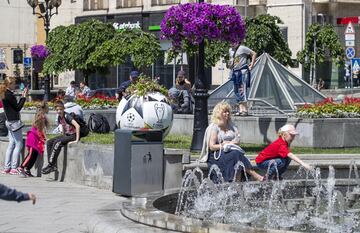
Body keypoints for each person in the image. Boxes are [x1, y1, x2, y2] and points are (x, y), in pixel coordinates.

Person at [198, 102, 263, 182]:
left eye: (228, 111)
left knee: (236, 154)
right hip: (216, 154)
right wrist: (223, 144)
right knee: (236, 155)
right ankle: (252, 176)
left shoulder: (232, 126)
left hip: (232, 151)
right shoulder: (214, 127)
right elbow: (212, 146)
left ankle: (236, 183)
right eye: (224, 112)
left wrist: (231, 143)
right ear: (219, 114)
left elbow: (237, 140)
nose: (227, 113)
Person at [41, 101, 82, 174]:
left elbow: (77, 126)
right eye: (57, 110)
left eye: (60, 109)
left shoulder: (67, 116)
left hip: (73, 135)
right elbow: (63, 126)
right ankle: (51, 165)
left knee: (57, 143)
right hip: (67, 134)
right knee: (49, 142)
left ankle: (51, 165)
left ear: (63, 109)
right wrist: (63, 136)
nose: (59, 111)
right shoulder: (60, 117)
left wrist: (76, 139)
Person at [1, 77, 28, 175]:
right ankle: (13, 168)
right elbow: (18, 108)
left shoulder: (4, 94)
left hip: (9, 122)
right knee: (19, 144)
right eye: (14, 83)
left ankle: (7, 168)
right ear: (10, 84)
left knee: (11, 144)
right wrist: (24, 97)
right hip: (14, 122)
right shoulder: (9, 95)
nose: (15, 85)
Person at [228, 42, 256, 116]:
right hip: (234, 71)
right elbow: (231, 60)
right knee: (236, 90)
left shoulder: (242, 48)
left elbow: (253, 53)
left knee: (242, 90)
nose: (231, 43)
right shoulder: (230, 50)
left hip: (242, 71)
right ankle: (241, 110)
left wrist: (252, 65)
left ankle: (245, 110)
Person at [18, 111, 48, 177]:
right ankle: (21, 167)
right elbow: (41, 132)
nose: (43, 117)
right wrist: (45, 138)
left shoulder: (41, 121)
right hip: (32, 140)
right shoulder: (38, 122)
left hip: (35, 140)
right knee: (31, 155)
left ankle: (27, 169)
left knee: (34, 155)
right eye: (42, 115)